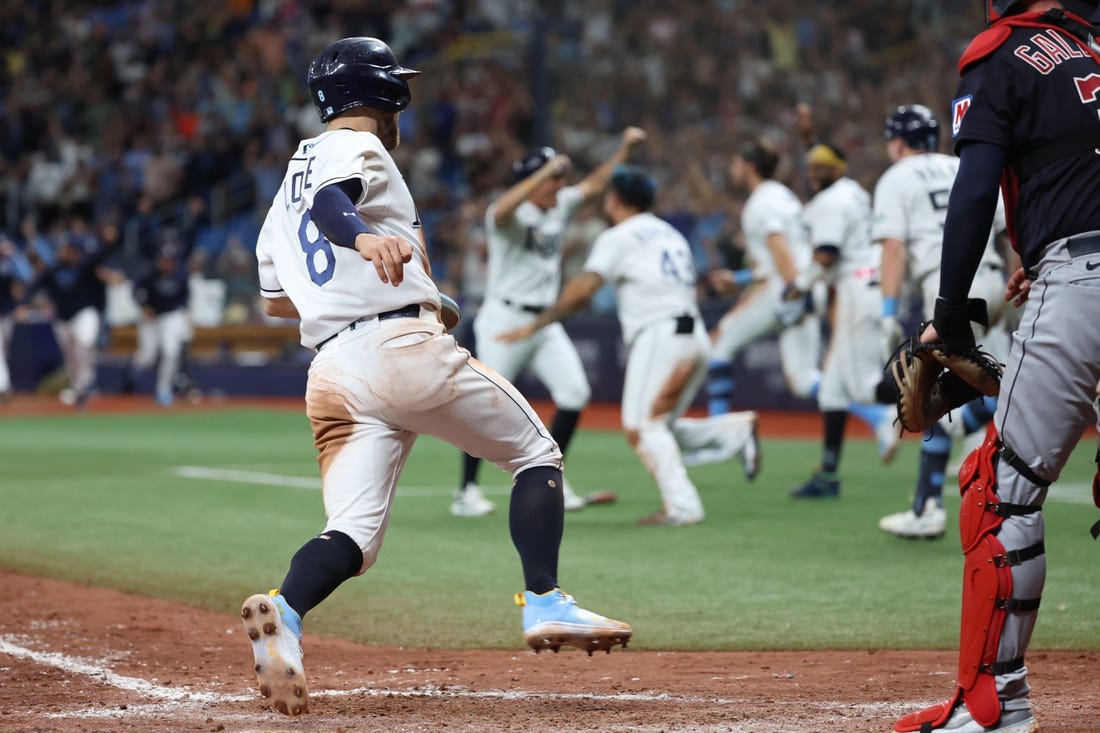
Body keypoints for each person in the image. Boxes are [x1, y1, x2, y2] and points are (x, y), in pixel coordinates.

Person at [240, 37, 632, 718]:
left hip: (332, 369)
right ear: (386, 93)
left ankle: (285, 611)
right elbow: (337, 202)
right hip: (398, 347)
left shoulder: (281, 195)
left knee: (353, 536)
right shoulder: (352, 148)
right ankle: (544, 599)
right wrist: (364, 240)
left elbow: (277, 300)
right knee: (535, 453)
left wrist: (383, 275)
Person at [893, 1, 1100, 731]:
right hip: (1073, 258)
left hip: (1081, 279)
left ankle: (993, 705)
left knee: (999, 492)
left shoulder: (1002, 53)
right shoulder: (1093, 50)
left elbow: (974, 187)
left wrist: (949, 313)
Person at [498, 165, 760, 526]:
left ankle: (683, 506)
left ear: (616, 199)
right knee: (656, 424)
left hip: (661, 334)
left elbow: (583, 291)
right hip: (692, 333)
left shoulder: (621, 235)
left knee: (644, 427)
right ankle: (734, 431)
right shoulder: (669, 232)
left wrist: (539, 323)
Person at [451, 127, 647, 518]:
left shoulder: (559, 203)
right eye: (553, 178)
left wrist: (624, 147)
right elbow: (500, 210)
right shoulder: (510, 214)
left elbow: (594, 185)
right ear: (533, 180)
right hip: (504, 319)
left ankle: (552, 478)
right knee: (487, 406)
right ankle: (466, 492)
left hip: (543, 321)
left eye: (559, 178)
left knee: (574, 393)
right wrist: (542, 174)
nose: (560, 184)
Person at [873, 104, 1010, 539]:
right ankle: (935, 501)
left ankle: (927, 508)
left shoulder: (896, 176)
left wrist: (888, 312)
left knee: (929, 389)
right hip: (996, 284)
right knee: (965, 385)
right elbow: (1011, 230)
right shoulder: (962, 164)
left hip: (951, 293)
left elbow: (893, 249)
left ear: (897, 142)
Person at [788, 144, 899, 499]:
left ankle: (940, 386)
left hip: (856, 289)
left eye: (821, 167)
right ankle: (828, 476)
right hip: (868, 282)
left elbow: (827, 254)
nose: (813, 173)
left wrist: (798, 286)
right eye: (810, 166)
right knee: (833, 390)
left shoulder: (830, 201)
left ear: (838, 168)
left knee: (864, 388)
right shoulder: (853, 190)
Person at [705, 139, 821, 418]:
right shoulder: (785, 195)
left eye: (736, 163)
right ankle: (878, 414)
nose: (732, 169)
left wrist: (796, 289)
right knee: (803, 381)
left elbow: (779, 247)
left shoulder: (760, 202)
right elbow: (773, 261)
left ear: (750, 167)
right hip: (806, 283)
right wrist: (739, 279)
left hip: (786, 288)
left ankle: (719, 429)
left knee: (717, 347)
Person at [17, 218, 124, 408]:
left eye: (67, 249)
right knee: (70, 355)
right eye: (61, 249)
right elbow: (33, 286)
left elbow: (100, 254)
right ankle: (79, 388)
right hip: (63, 318)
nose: (63, 252)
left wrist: (108, 240)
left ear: (75, 250)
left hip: (84, 312)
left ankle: (86, 384)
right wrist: (22, 305)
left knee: (83, 345)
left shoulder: (84, 266)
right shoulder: (53, 269)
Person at [130, 239, 192, 406]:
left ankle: (163, 390)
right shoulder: (149, 273)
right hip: (151, 316)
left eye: (170, 261)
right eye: (164, 260)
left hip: (170, 316)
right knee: (147, 356)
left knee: (171, 352)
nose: (166, 264)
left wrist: (185, 318)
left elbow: (185, 299)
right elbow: (135, 291)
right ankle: (130, 374)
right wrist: (144, 307)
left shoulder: (181, 275)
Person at [0, 237, 34, 401]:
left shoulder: (9, 263)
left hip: (5, 313)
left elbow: (27, 275)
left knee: (4, 348)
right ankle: (4, 386)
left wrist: (14, 255)